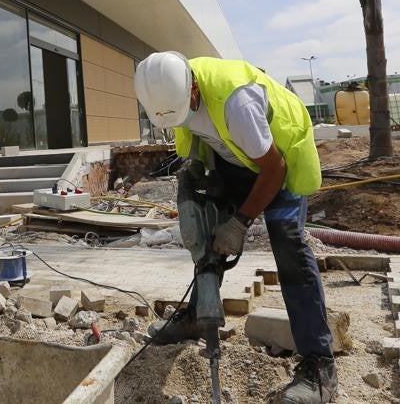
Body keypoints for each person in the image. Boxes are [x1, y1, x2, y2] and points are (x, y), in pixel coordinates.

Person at [135, 52, 336, 404]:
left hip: (279, 160)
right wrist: (194, 175)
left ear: (193, 86)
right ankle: (199, 318)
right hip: (237, 158)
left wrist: (240, 223)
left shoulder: (236, 102)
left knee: (288, 246)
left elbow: (274, 168)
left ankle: (320, 365)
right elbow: (199, 140)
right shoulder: (170, 98)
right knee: (207, 231)